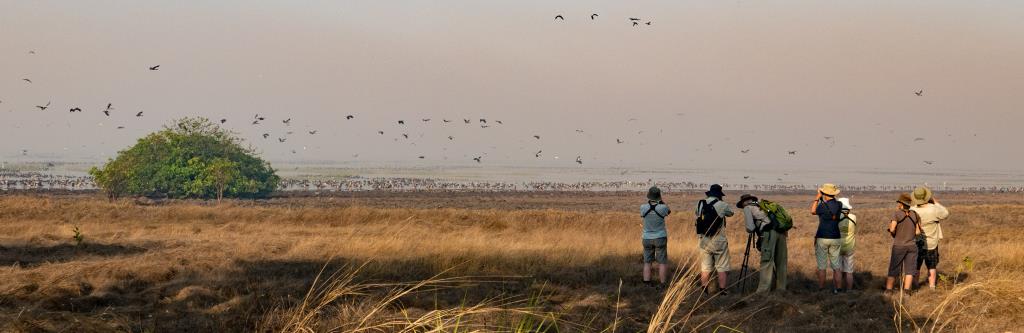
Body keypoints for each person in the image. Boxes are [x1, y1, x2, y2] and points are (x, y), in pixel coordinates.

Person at [738, 194, 787, 293]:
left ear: (743, 202)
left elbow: (750, 228)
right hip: (782, 232)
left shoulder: (747, 207)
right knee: (781, 261)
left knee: (767, 261)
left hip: (769, 233)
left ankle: (763, 291)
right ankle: (781, 289)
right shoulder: (762, 205)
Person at [695, 184, 734, 294]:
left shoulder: (700, 203)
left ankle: (704, 291)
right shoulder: (722, 204)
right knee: (722, 267)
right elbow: (731, 213)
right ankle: (722, 291)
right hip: (719, 240)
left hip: (704, 240)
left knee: (705, 267)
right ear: (719, 194)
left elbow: (697, 214)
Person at [910, 186, 950, 290]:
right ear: (927, 197)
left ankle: (915, 285)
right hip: (932, 243)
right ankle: (932, 287)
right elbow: (945, 214)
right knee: (932, 266)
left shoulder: (912, 210)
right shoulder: (933, 209)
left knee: (916, 266)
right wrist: (935, 202)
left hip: (916, 242)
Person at [810, 183, 843, 293]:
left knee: (822, 266)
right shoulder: (839, 204)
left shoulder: (822, 206)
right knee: (836, 266)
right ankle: (838, 289)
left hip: (822, 237)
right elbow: (833, 205)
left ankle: (821, 289)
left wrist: (816, 199)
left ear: (824, 193)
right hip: (836, 237)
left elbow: (813, 211)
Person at [886, 193, 923, 294]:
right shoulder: (915, 214)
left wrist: (893, 232)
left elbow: (892, 228)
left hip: (899, 245)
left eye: (898, 202)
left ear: (901, 204)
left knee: (894, 268)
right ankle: (907, 291)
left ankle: (889, 290)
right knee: (910, 269)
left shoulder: (896, 214)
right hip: (912, 246)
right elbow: (918, 232)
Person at [641, 186, 672, 286]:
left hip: (646, 237)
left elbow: (642, 214)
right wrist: (661, 202)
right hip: (660, 237)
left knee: (647, 262)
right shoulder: (663, 207)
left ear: (649, 196)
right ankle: (662, 283)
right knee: (662, 262)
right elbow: (669, 212)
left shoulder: (643, 207)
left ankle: (646, 283)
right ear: (659, 196)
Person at [836, 197, 857, 291]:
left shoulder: (837, 216)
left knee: (838, 270)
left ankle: (838, 289)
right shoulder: (854, 217)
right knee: (849, 271)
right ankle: (849, 290)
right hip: (850, 246)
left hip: (837, 246)